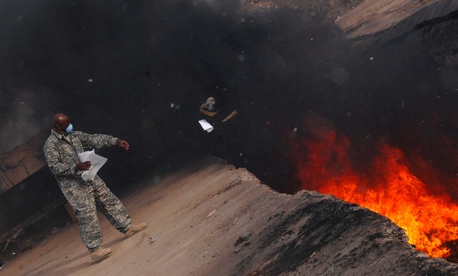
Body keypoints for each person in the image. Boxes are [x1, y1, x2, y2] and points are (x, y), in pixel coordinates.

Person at [43, 113, 147, 261]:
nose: (70, 126)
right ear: (58, 126)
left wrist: (116, 141)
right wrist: (75, 166)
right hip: (74, 186)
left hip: (90, 177)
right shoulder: (50, 145)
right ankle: (95, 250)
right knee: (87, 215)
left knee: (109, 200)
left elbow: (93, 139)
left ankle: (128, 227)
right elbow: (54, 167)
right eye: (67, 125)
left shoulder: (74, 135)